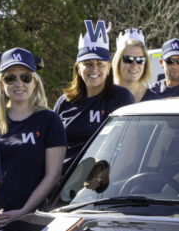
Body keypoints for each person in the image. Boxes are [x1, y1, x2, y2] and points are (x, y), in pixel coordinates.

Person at [0, 47, 66, 231]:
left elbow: (53, 175)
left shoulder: (49, 121)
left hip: (31, 220)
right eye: (11, 78)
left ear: (35, 82)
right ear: (2, 84)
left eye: (25, 77)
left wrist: (23, 211)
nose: (19, 83)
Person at [54, 26, 135, 171]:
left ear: (109, 67)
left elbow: (130, 147)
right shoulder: (64, 102)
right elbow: (53, 150)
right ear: (78, 67)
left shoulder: (121, 98)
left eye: (100, 64)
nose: (94, 69)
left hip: (106, 183)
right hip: (65, 184)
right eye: (88, 64)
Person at [111, 28, 154, 102]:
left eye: (140, 60)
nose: (134, 65)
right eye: (128, 59)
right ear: (118, 61)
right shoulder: (104, 96)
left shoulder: (153, 101)